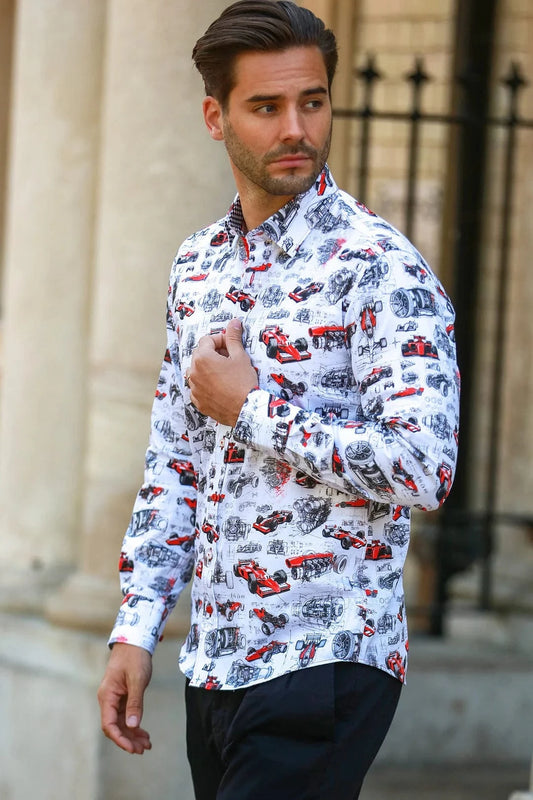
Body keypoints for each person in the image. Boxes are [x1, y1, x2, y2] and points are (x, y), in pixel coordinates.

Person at [97, 2, 460, 798]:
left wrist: (251, 410)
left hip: (326, 656)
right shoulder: (197, 265)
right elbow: (174, 460)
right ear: (214, 117)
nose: (296, 127)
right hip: (218, 660)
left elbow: (424, 467)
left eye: (312, 101)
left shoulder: (378, 267)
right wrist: (137, 626)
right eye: (266, 107)